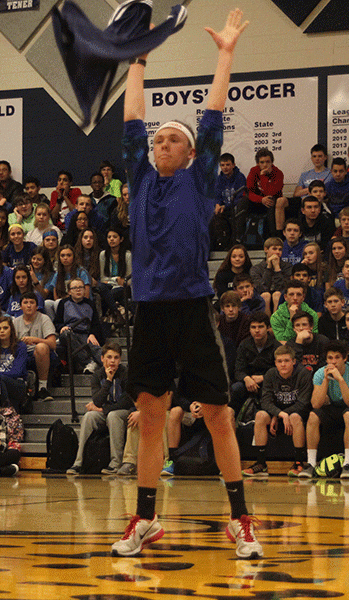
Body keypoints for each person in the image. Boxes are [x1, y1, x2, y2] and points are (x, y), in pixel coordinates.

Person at [115, 9, 261, 560]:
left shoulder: (200, 182)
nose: (161, 144)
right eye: (158, 142)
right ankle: (145, 519)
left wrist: (225, 55)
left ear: (191, 152)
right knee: (152, 415)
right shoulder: (141, 178)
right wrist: (138, 59)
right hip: (150, 310)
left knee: (219, 413)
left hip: (194, 308)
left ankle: (240, 518)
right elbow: (133, 117)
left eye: (171, 140)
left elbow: (213, 114)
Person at [243, 344, 312, 478]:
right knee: (260, 415)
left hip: (296, 414)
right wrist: (279, 414)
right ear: (275, 363)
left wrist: (283, 414)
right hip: (279, 413)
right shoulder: (270, 374)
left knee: (295, 417)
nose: (283, 364)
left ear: (293, 361)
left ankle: (298, 463)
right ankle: (261, 463)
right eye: (279, 361)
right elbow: (265, 401)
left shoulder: (303, 374)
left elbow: (303, 403)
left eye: (286, 361)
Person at [301, 339, 349, 478]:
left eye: (337, 358)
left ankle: (347, 464)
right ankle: (311, 463)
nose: (333, 362)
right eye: (330, 358)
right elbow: (316, 404)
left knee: (348, 415)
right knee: (313, 415)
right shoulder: (319, 373)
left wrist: (340, 380)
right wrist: (326, 380)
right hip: (332, 407)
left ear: (345, 358)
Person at [66, 342, 133, 475]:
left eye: (116, 357)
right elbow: (97, 401)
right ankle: (79, 463)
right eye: (109, 357)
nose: (112, 361)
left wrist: (104, 410)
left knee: (113, 415)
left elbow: (126, 401)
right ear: (102, 358)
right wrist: (108, 381)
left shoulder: (126, 373)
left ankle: (115, 463)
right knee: (89, 416)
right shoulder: (97, 376)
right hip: (106, 412)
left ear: (120, 359)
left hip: (124, 413)